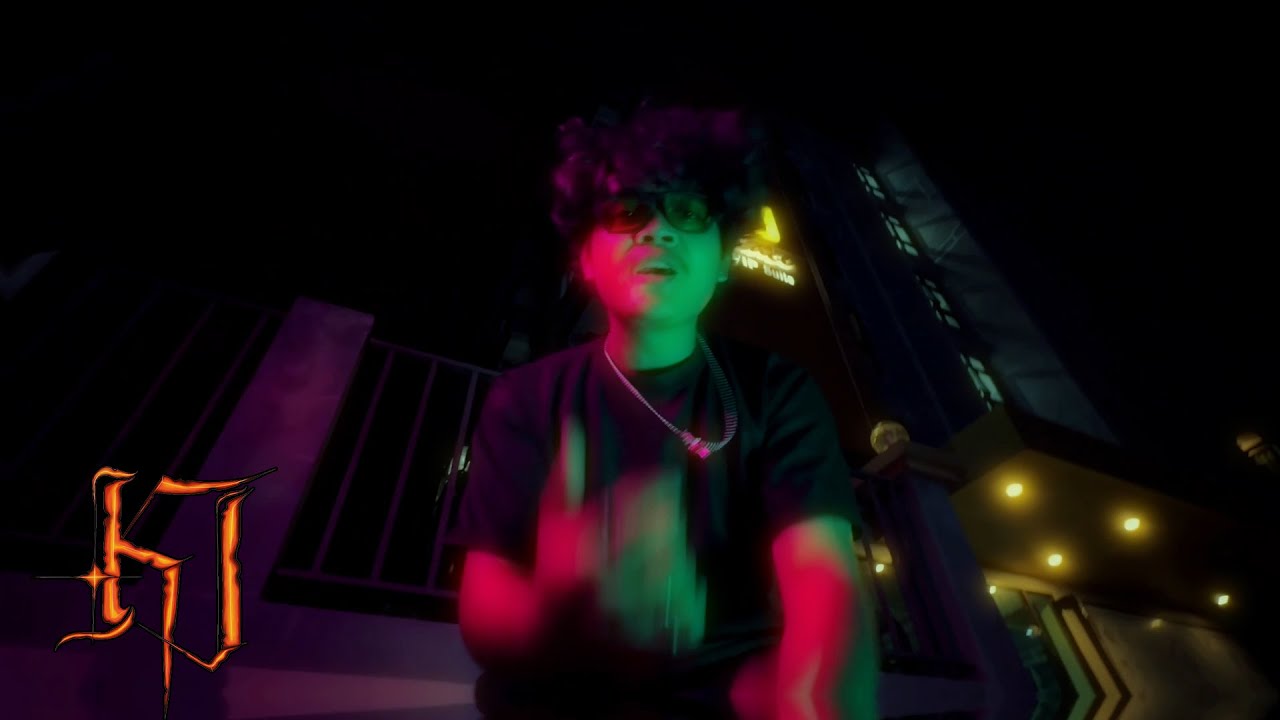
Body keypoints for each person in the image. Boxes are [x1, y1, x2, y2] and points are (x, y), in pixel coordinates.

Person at [449, 105, 878, 719]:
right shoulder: (525, 397)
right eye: (628, 211)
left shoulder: (776, 390)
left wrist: (816, 700)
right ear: (585, 259)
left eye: (690, 212)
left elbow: (822, 577)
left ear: (724, 258)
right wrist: (562, 607)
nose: (657, 231)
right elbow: (483, 609)